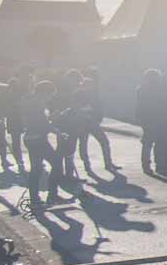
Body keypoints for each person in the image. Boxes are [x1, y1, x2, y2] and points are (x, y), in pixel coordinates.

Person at [23, 80, 67, 210]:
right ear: (44, 93)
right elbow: (41, 123)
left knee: (36, 170)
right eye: (50, 95)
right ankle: (52, 195)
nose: (50, 98)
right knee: (57, 164)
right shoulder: (37, 104)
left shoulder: (31, 101)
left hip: (32, 139)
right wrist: (57, 130)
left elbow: (39, 121)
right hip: (37, 140)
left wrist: (50, 123)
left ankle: (35, 199)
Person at [67, 69, 117, 171]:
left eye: (91, 85)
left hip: (93, 122)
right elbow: (75, 108)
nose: (90, 87)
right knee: (83, 145)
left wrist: (98, 118)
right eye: (87, 85)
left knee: (104, 142)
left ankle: (108, 163)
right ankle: (87, 166)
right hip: (82, 124)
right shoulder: (78, 94)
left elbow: (99, 108)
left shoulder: (94, 95)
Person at [136, 68, 167, 175]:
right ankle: (160, 165)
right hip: (160, 120)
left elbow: (140, 106)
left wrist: (140, 119)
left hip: (147, 120)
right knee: (159, 143)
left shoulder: (141, 89)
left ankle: (146, 166)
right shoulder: (162, 88)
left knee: (147, 144)